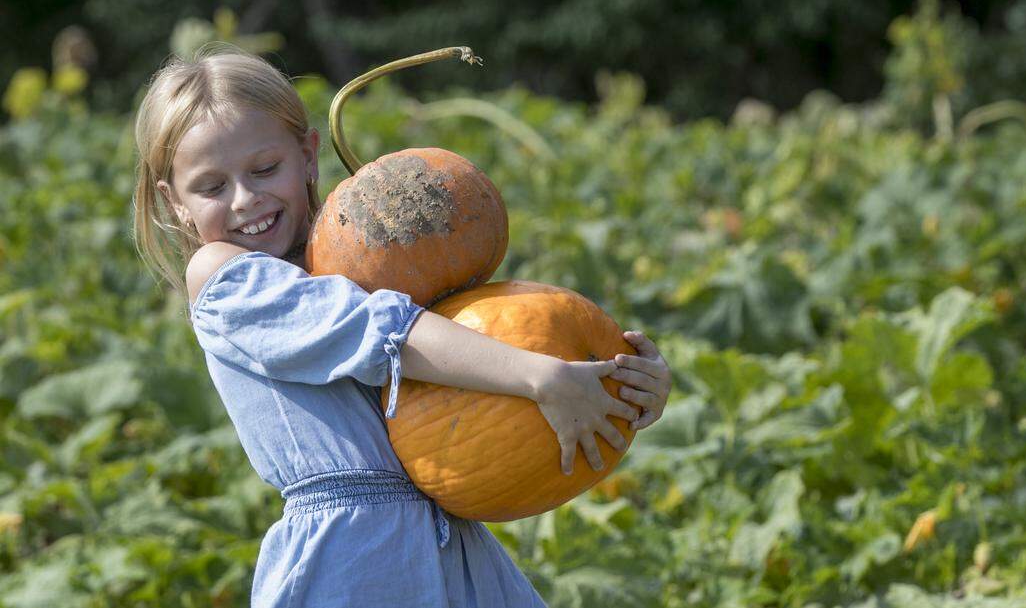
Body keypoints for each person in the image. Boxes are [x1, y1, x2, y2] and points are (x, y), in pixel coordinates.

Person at [131, 44, 673, 607]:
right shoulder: (224, 278)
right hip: (352, 559)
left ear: (308, 156)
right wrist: (542, 375)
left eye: (265, 169)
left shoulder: (355, 264)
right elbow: (382, 332)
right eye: (212, 187)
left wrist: (621, 384)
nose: (245, 199)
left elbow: (491, 343)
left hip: (450, 547)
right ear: (175, 203)